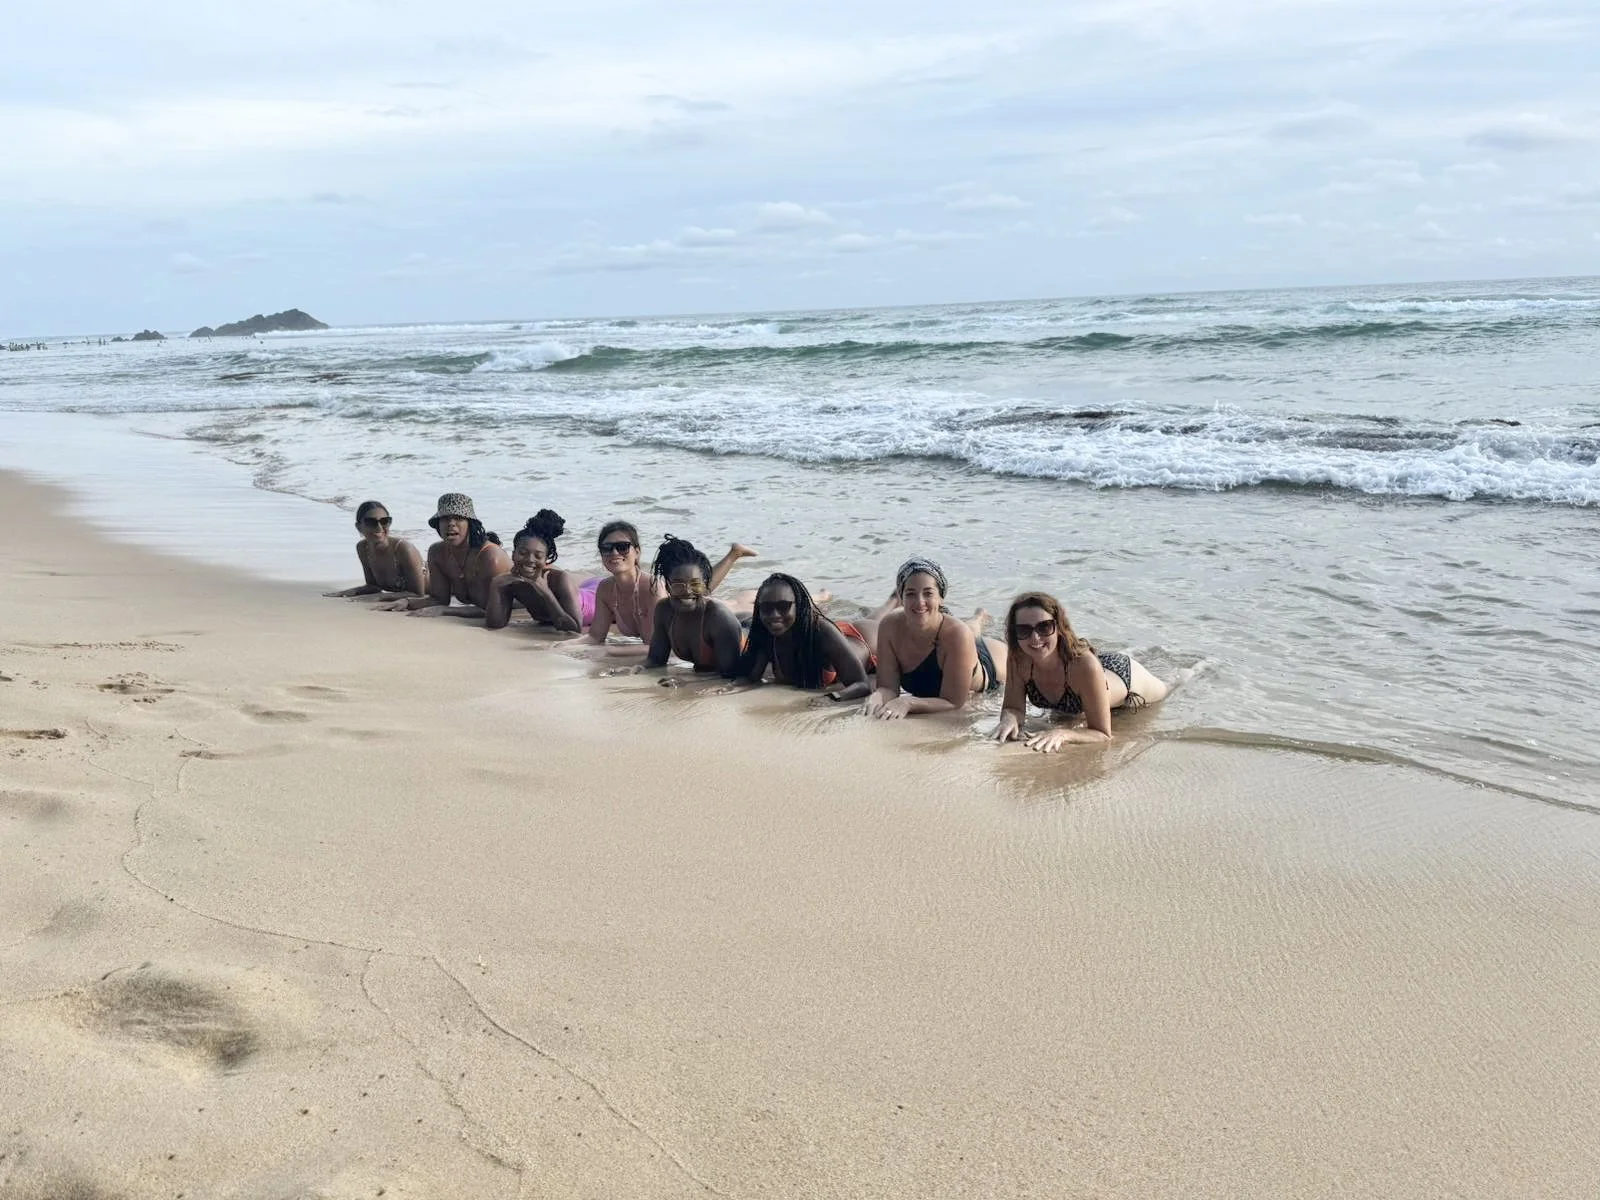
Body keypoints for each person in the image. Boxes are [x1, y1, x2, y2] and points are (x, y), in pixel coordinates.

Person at [994, 591, 1169, 751]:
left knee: (1170, 690)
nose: (1035, 638)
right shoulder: (1018, 658)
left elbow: (1103, 734)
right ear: (1014, 634)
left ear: (1059, 628)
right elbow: (1013, 707)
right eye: (1024, 630)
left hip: (1129, 679)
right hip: (1094, 668)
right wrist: (1009, 718)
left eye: (1044, 627)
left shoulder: (1083, 665)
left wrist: (1062, 733)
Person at [863, 557, 1006, 720]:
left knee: (968, 631)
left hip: (992, 664)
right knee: (968, 631)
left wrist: (908, 703)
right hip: (957, 642)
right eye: (910, 593)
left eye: (928, 593)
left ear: (940, 598)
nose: (919, 602)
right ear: (901, 597)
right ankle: (978, 617)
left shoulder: (957, 634)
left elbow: (953, 702)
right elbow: (887, 688)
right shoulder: (889, 626)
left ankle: (980, 617)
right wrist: (878, 696)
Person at [587, 523, 757, 657]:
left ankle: (736, 556)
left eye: (622, 547)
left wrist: (611, 651)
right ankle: (735, 555)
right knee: (706, 590)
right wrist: (562, 646)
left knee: (730, 603)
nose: (614, 553)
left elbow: (660, 648)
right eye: (607, 548)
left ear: (637, 552)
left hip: (701, 610)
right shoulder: (606, 588)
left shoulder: (653, 588)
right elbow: (595, 637)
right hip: (682, 599)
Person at [724, 573, 877, 701]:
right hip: (836, 634)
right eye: (766, 608)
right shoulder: (766, 633)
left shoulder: (822, 631)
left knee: (880, 614)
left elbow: (862, 684)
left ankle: (894, 597)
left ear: (800, 607)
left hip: (865, 640)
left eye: (784, 606)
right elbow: (751, 678)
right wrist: (730, 687)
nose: (774, 615)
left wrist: (831, 698)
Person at [644, 535, 746, 677]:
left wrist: (686, 683)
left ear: (705, 585)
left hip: (745, 630)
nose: (687, 591)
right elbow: (655, 661)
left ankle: (735, 554)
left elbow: (731, 676)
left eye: (695, 585)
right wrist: (632, 673)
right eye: (679, 585)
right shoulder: (664, 611)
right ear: (667, 586)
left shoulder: (719, 619)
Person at [399, 493, 511, 618]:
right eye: (445, 519)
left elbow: (490, 610)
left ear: (470, 525)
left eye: (458, 518)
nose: (451, 524)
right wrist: (407, 602)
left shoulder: (490, 557)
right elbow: (439, 600)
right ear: (438, 524)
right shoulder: (437, 552)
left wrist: (445, 611)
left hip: (519, 614)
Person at [485, 510, 584, 632]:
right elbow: (495, 625)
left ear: (546, 559)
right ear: (513, 554)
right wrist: (496, 585)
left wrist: (546, 592)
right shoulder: (511, 583)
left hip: (592, 602)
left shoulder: (559, 579)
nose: (530, 560)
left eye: (538, 556)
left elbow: (575, 629)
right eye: (523, 553)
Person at [323, 500, 427, 599]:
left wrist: (379, 597)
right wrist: (352, 592)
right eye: (371, 522)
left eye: (384, 521)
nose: (379, 527)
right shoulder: (363, 548)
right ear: (358, 527)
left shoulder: (403, 549)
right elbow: (373, 586)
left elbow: (418, 593)